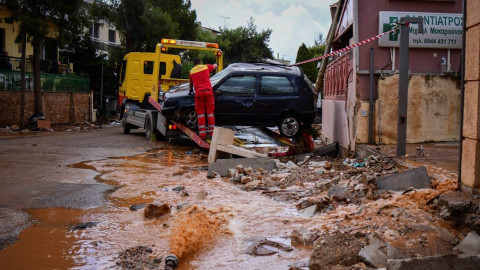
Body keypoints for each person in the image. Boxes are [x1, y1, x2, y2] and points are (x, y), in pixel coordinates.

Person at [189, 57, 218, 140]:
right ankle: (212, 134)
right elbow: (214, 66)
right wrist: (216, 64)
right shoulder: (205, 67)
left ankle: (202, 135)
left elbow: (191, 84)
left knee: (201, 114)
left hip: (199, 94)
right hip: (208, 92)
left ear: (194, 64)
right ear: (200, 62)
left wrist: (191, 90)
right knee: (210, 113)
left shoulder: (192, 71)